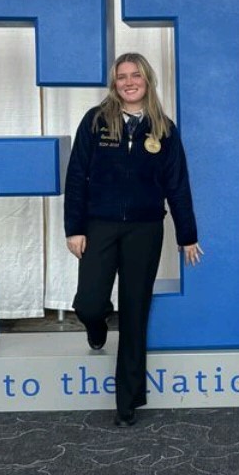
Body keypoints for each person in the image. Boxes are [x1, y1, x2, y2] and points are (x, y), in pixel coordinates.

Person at [63, 53, 202, 427]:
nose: (128, 82)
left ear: (147, 80)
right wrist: (74, 228)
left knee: (135, 311)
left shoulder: (164, 129)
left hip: (145, 229)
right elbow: (76, 177)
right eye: (121, 77)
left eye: (135, 75)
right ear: (114, 84)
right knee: (89, 302)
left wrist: (187, 235)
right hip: (100, 226)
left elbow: (178, 185)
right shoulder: (94, 122)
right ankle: (96, 326)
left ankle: (128, 399)